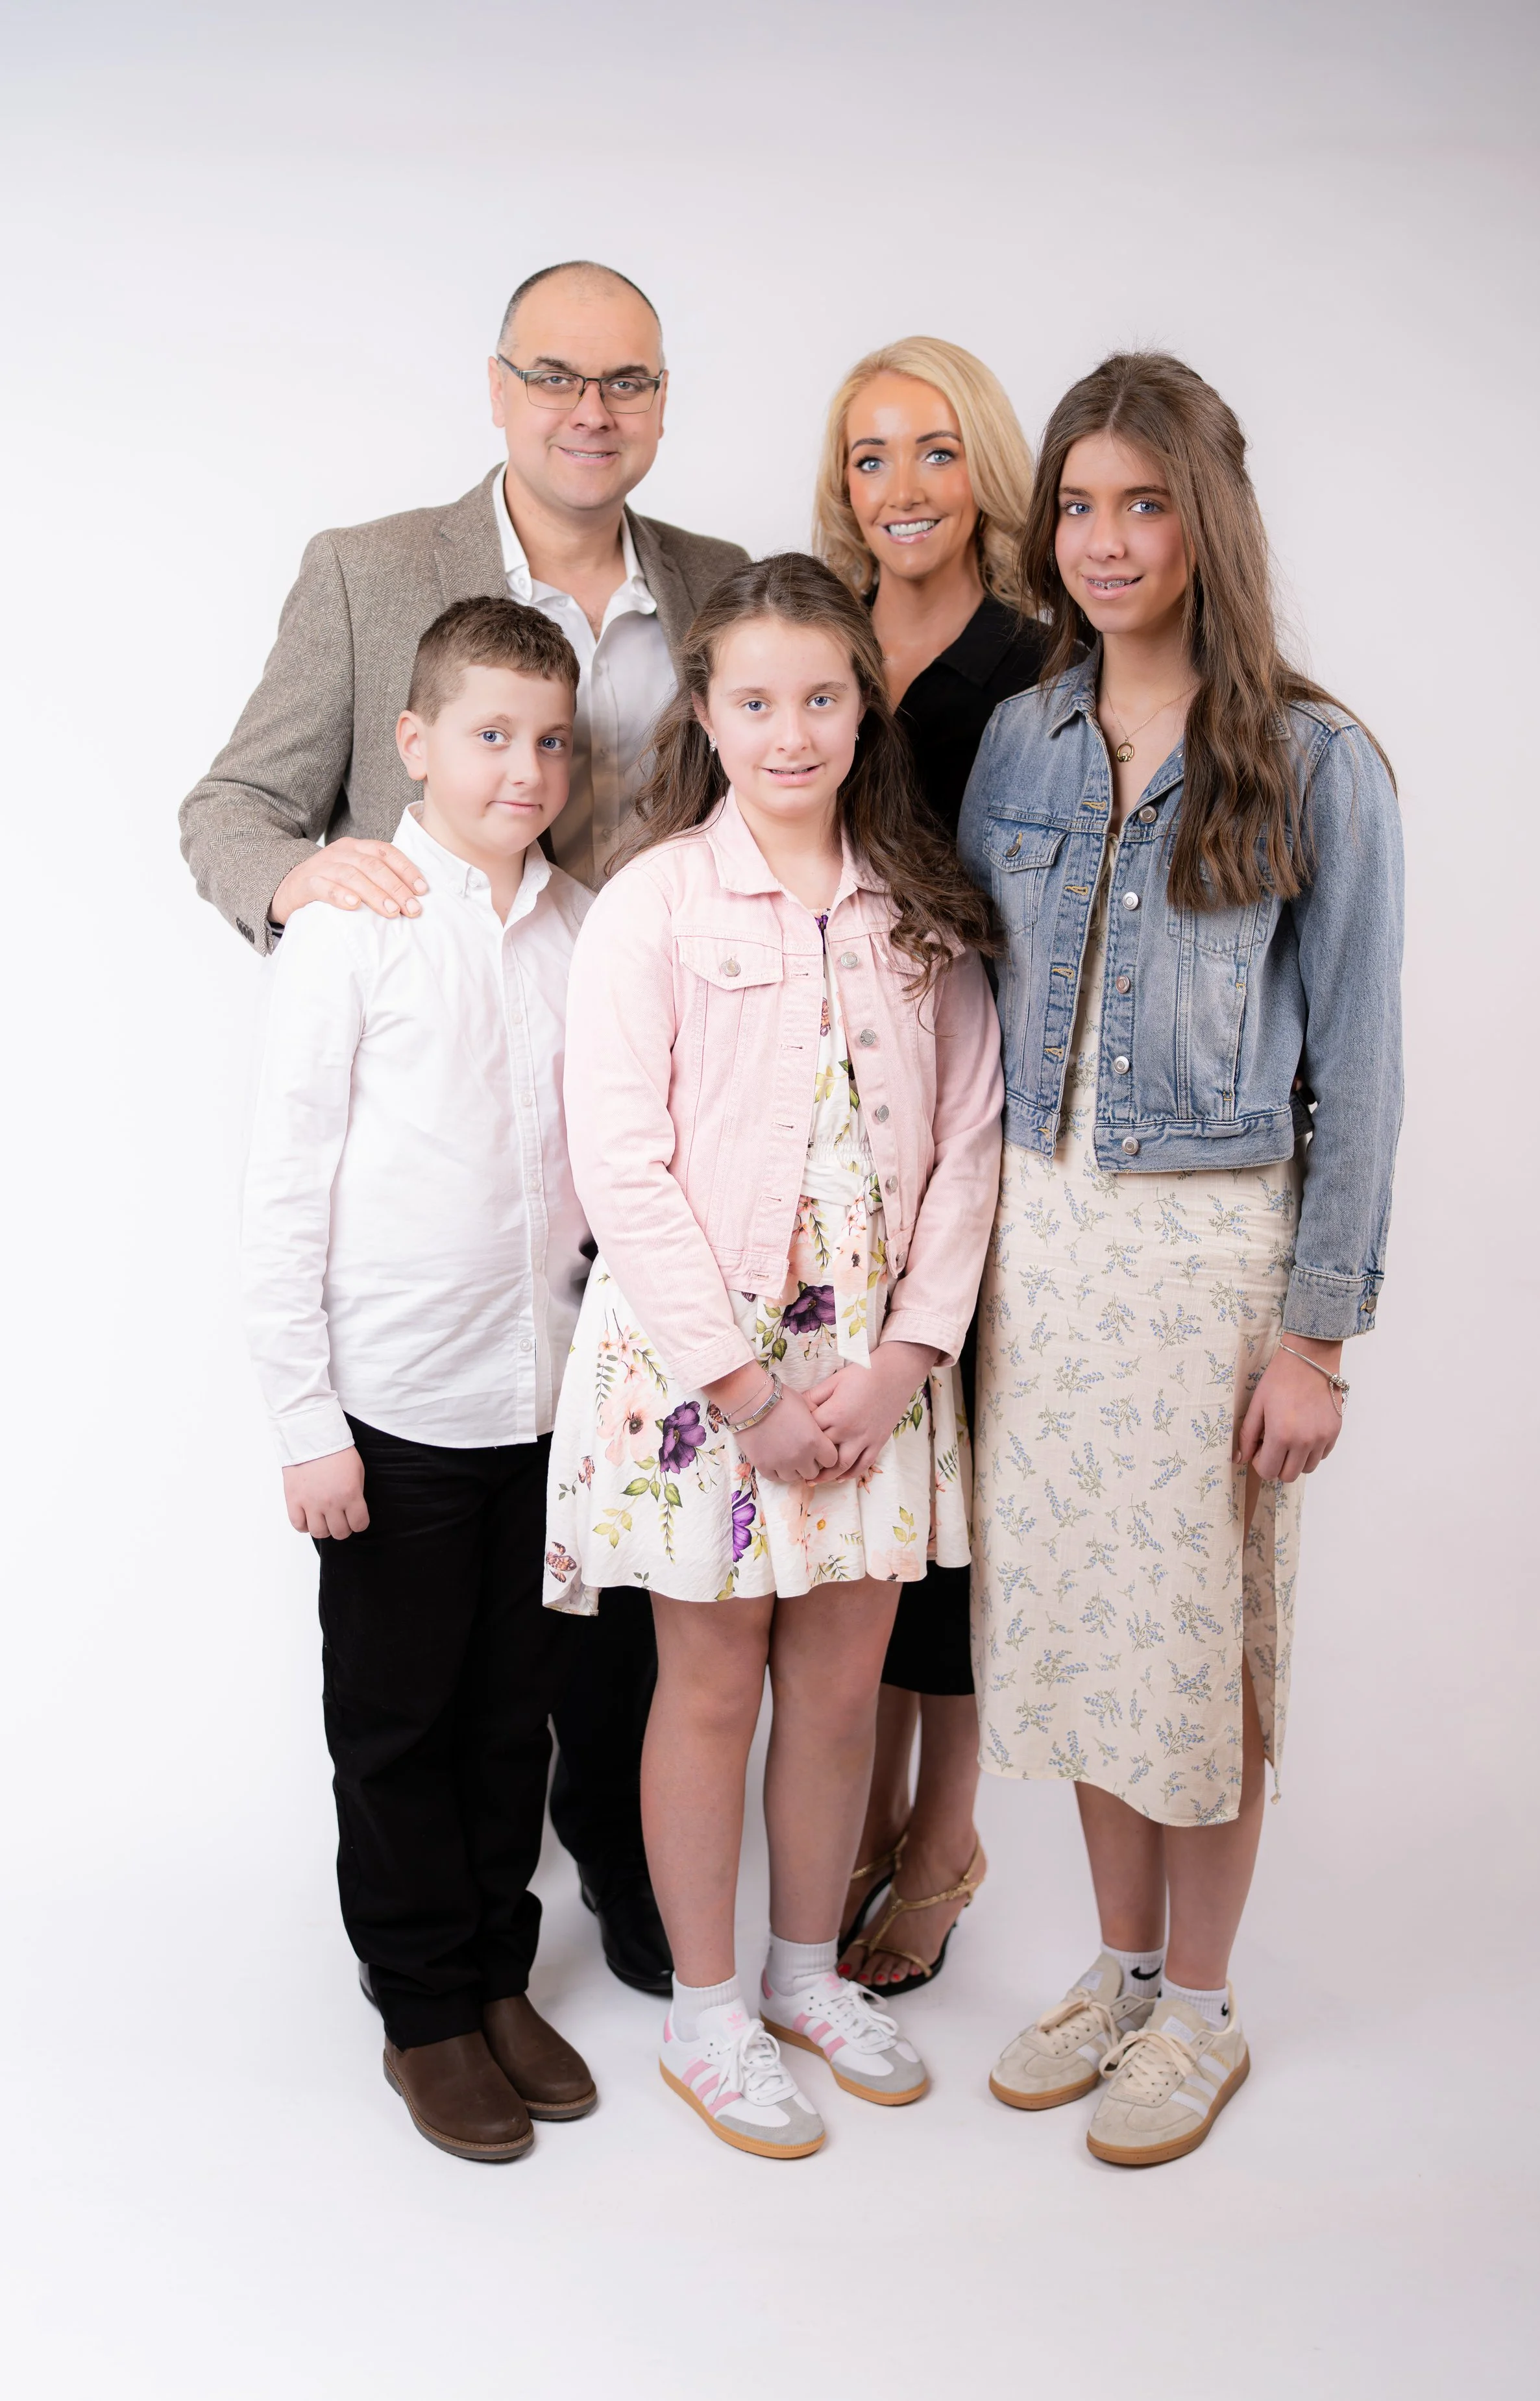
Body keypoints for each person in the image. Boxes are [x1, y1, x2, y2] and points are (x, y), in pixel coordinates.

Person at [182, 261, 751, 1997]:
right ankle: (440, 1970)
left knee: (610, 1603)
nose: (595, 410)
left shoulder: (722, 589)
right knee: (435, 1654)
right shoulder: (370, 578)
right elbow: (230, 804)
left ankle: (631, 1889)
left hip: (639, 1162)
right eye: (559, 376)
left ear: (662, 400)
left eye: (631, 381)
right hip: (427, 1145)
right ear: (499, 390)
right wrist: (306, 880)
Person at [960, 352, 1402, 2166]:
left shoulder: (1315, 761)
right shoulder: (1021, 740)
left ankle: (1201, 2007)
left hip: (1208, 1261)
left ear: (1206, 518)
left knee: (1199, 1643)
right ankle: (1122, 1964)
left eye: (1142, 502)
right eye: (1077, 503)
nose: (1103, 538)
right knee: (1076, 1633)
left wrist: (1315, 1337)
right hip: (1037, 1252)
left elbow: (1358, 1068)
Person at [544, 555, 1004, 2158]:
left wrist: (899, 1364)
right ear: (706, 712)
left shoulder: (920, 905)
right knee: (711, 1678)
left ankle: (810, 1973)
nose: (789, 731)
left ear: (862, 705)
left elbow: (965, 1146)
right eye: (755, 700)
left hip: (870, 1375)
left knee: (837, 1683)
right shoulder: (654, 904)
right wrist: (739, 1386)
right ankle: (710, 2007)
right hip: (702, 1376)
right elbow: (621, 1156)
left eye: (820, 697)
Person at [240, 596, 601, 2161]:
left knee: (510, 1715)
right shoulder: (352, 922)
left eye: (548, 740)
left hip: (545, 1401)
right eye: (490, 735)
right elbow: (284, 1184)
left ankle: (496, 1969)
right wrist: (305, 1420)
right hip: (395, 1413)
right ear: (415, 743)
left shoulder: (584, 924)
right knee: (395, 1718)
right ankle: (421, 2008)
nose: (523, 769)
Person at [812, 337, 1045, 1993]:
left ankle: (942, 1838)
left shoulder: (1037, 664)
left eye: (934, 450)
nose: (900, 486)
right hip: (836, 1141)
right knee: (873, 1499)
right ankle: (871, 1808)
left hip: (988, 1126)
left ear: (987, 475)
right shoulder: (813, 648)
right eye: (870, 454)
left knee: (955, 1511)